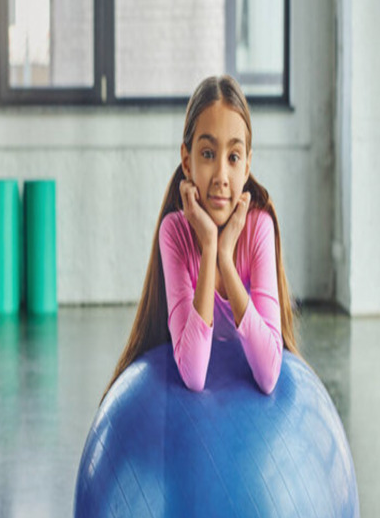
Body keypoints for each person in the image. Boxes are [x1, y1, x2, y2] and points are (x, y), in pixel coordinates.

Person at [100, 74, 302, 404]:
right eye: (207, 154)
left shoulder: (258, 228)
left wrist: (227, 259)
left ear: (248, 164)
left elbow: (267, 376)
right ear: (187, 160)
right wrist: (210, 248)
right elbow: (193, 375)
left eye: (234, 158)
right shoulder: (175, 233)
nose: (221, 176)